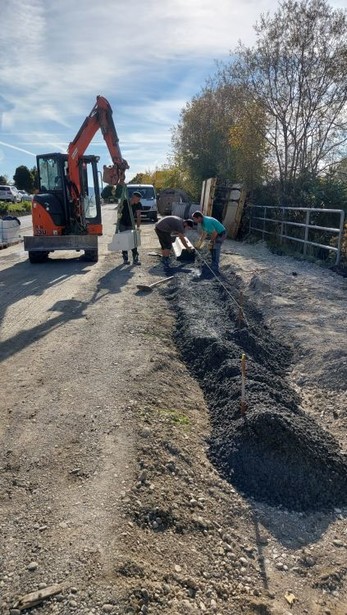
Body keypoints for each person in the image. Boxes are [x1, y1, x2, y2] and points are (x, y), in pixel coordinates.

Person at [118, 191, 142, 265]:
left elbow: (138, 216)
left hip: (131, 224)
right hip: (122, 224)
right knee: (124, 241)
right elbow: (119, 211)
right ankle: (125, 258)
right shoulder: (125, 202)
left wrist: (138, 227)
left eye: (139, 200)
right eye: (138, 199)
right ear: (133, 197)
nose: (139, 201)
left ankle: (135, 259)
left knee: (133, 241)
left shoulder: (138, 204)